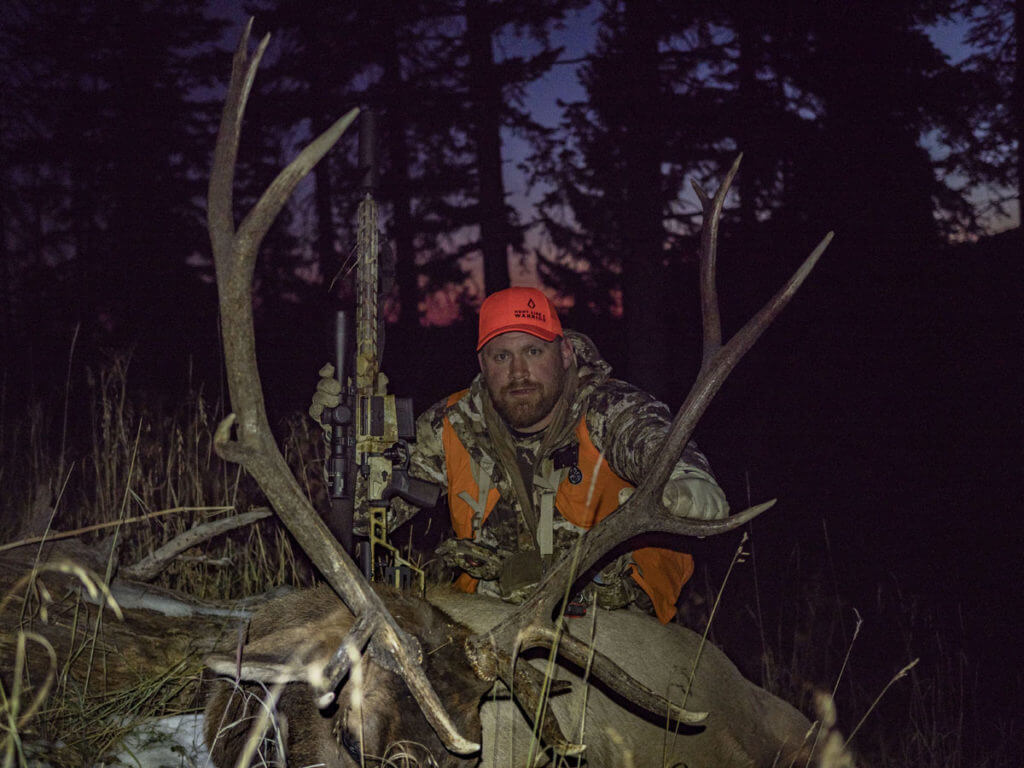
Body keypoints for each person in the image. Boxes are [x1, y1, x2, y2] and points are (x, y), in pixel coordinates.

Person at [310, 287, 728, 623]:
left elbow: (655, 444)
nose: (518, 373)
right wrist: (344, 442)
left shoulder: (608, 409)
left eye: (533, 351)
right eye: (502, 356)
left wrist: (686, 484)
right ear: (483, 364)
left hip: (611, 617)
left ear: (564, 354)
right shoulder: (453, 424)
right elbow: (367, 518)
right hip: (492, 618)